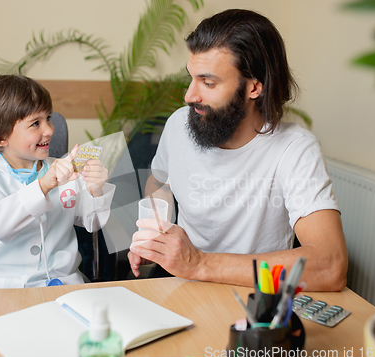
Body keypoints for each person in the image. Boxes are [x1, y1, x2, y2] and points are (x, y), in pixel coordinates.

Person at [128, 9, 348, 291]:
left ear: (254, 87)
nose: (189, 96)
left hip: (253, 296)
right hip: (181, 285)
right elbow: (159, 181)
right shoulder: (178, 125)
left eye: (208, 83)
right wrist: (157, 237)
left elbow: (330, 265)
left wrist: (199, 263)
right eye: (191, 77)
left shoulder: (295, 149)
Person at [0, 75, 115, 288]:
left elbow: (93, 223)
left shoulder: (65, 169)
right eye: (35, 123)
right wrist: (44, 185)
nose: (49, 130)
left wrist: (95, 190)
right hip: (4, 285)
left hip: (63, 281)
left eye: (48, 118)